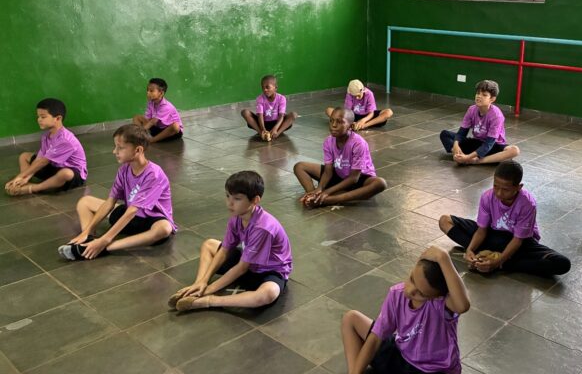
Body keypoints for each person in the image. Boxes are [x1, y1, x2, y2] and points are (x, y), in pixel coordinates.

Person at [328, 246, 469, 374]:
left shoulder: (443, 306)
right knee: (351, 318)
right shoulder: (396, 294)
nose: (410, 290)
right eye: (411, 279)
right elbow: (374, 339)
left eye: (421, 293)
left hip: (431, 373)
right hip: (400, 356)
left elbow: (463, 305)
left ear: (436, 297)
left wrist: (443, 257)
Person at [168, 170, 292, 311]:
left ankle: (210, 301)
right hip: (248, 262)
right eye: (228, 196)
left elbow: (242, 268)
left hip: (269, 270)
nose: (230, 203)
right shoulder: (236, 218)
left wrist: (209, 290)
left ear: (255, 200)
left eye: (237, 199)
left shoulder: (263, 227)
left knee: (268, 294)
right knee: (209, 244)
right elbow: (224, 250)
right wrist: (203, 281)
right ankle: (197, 286)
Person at [57, 124, 175, 260]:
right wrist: (87, 230)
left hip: (150, 220)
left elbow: (133, 211)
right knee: (85, 202)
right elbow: (110, 202)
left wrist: (106, 239)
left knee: (165, 229)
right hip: (129, 215)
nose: (115, 151)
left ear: (138, 150)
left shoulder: (153, 174)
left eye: (120, 148)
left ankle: (104, 247)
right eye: (115, 147)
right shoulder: (124, 169)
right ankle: (88, 239)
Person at [439, 160, 571, 276]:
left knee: (562, 263)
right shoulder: (487, 197)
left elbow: (518, 240)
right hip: (491, 236)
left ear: (518, 187)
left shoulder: (527, 203)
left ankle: (502, 262)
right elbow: (481, 231)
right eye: (496, 186)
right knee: (445, 221)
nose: (499, 193)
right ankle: (492, 256)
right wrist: (469, 250)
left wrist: (498, 262)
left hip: (520, 243)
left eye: (506, 189)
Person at [293, 107, 387, 207]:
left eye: (339, 122)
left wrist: (327, 191)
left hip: (359, 179)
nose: (333, 125)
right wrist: (319, 189)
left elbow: (354, 178)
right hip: (340, 174)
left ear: (350, 126)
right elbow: (328, 171)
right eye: (331, 121)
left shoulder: (358, 144)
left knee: (380, 183)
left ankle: (329, 200)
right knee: (299, 166)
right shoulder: (328, 141)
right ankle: (313, 195)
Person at [4, 98, 87, 196]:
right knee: (24, 156)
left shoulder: (65, 140)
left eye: (43, 117)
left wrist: (19, 176)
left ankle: (34, 188)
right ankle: (23, 182)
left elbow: (43, 162)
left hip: (73, 174)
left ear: (58, 118)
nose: (39, 119)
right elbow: (39, 159)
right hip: (55, 167)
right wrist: (24, 177)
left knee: (66, 173)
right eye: (38, 116)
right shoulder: (46, 136)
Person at [439, 79, 520, 165]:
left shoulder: (497, 116)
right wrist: (455, 145)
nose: (479, 96)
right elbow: (462, 133)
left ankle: (476, 160)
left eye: (484, 95)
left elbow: (488, 144)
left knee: (514, 150)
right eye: (478, 93)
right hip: (477, 142)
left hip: (493, 145)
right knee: (445, 134)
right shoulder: (471, 110)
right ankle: (460, 155)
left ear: (492, 99)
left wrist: (468, 157)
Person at [241, 74, 298, 141]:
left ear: (275, 87)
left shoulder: (281, 98)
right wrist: (263, 129)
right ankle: (261, 134)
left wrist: (275, 128)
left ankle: (276, 134)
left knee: (293, 115)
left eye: (268, 87)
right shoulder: (260, 99)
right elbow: (260, 115)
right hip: (263, 123)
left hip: (277, 123)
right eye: (263, 87)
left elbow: (281, 115)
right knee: (245, 112)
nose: (265, 90)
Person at [325, 79, 393, 130]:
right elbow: (347, 111)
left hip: (368, 117)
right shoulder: (349, 94)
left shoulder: (369, 94)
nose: (357, 98)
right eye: (355, 96)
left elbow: (371, 113)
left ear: (362, 91)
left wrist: (363, 121)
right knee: (329, 110)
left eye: (358, 95)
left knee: (388, 112)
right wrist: (349, 121)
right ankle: (352, 125)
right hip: (354, 116)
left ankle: (363, 126)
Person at [133, 78, 183, 142]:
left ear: (161, 93)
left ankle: (152, 140)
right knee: (137, 117)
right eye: (147, 90)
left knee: (175, 126)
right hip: (158, 129)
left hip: (170, 133)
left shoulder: (166, 106)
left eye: (151, 91)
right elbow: (148, 119)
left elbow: (153, 121)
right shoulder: (150, 102)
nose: (148, 93)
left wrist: (141, 130)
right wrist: (141, 129)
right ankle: (140, 137)